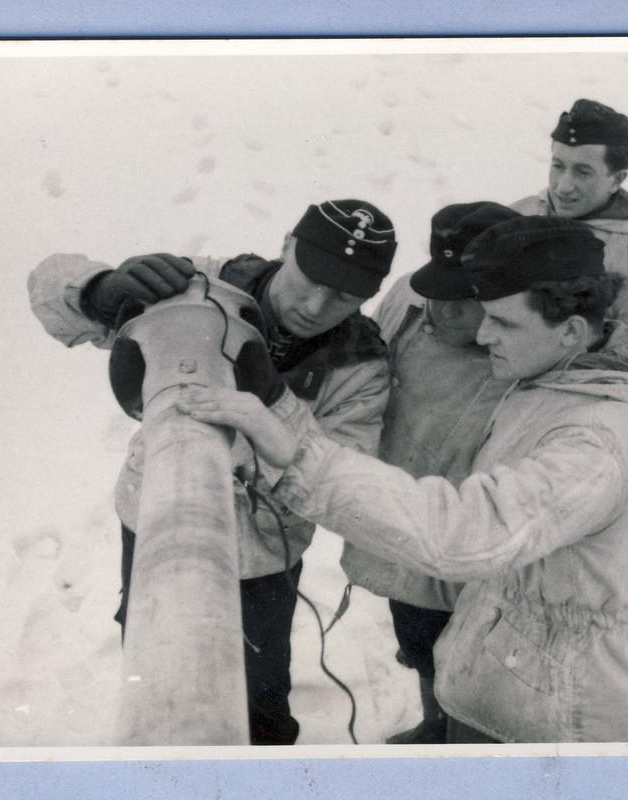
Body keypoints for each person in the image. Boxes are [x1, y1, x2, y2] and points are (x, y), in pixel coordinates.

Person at [179, 216, 628, 743]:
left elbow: (465, 534)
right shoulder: (556, 378)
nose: (482, 334)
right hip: (519, 680)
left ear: (572, 330)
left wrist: (296, 457)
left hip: (555, 718)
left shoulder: (597, 441)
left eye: (503, 323)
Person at [27, 199, 397, 745]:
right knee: (156, 659)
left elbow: (340, 479)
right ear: (288, 246)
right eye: (311, 279)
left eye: (345, 296)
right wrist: (97, 292)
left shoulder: (359, 365)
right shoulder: (207, 288)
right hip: (156, 515)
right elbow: (46, 282)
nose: (317, 305)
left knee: (258, 699)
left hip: (262, 553)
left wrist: (271, 400)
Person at [339, 201, 520, 744]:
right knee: (418, 634)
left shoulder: (523, 349)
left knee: (474, 660)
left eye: (463, 298)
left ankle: (464, 744)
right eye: (436, 291)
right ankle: (434, 725)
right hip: (405, 515)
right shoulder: (413, 303)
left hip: (479, 537)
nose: (443, 309)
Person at [512, 98, 628, 361]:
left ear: (616, 179)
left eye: (582, 172)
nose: (562, 187)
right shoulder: (519, 215)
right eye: (558, 166)